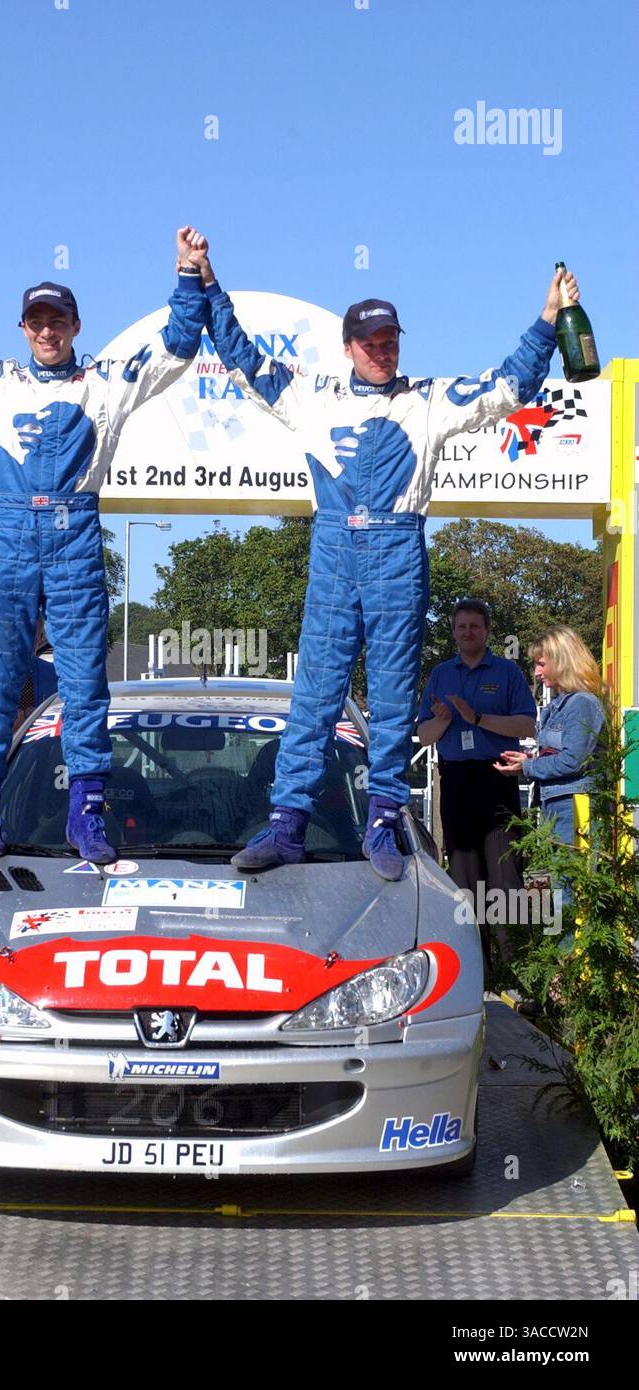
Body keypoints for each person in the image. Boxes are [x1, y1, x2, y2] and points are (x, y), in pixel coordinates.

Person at [192, 247, 580, 879]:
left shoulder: (429, 399)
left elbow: (509, 386)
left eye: (391, 339)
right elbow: (241, 356)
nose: (382, 349)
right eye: (370, 340)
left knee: (396, 698)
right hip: (335, 546)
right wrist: (206, 283)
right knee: (315, 695)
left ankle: (383, 823)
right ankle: (287, 826)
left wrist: (545, 319)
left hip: (398, 548)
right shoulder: (311, 396)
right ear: (347, 346)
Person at [0, 229, 209, 860]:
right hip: (6, 532)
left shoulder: (104, 383)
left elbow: (176, 348)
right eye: (36, 322)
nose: (47, 332)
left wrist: (187, 276)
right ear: (23, 328)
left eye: (57, 321)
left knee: (85, 680)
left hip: (74, 534)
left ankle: (85, 813)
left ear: (76, 326)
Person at [417, 599, 537, 964]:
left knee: (505, 873)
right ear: (453, 632)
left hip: (496, 776)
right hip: (455, 780)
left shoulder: (506, 672)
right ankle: (475, 962)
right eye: (462, 626)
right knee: (464, 874)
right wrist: (444, 721)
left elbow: (527, 725)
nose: (468, 632)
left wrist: (478, 717)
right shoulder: (440, 674)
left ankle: (515, 964)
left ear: (487, 631)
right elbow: (424, 736)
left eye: (475, 626)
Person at [494, 624, 606, 880]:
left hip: (575, 806)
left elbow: (572, 760)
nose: (536, 672)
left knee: (570, 887)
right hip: (558, 804)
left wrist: (528, 767)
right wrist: (529, 761)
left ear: (562, 660)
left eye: (542, 664)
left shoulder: (582, 703)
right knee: (560, 887)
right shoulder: (559, 704)